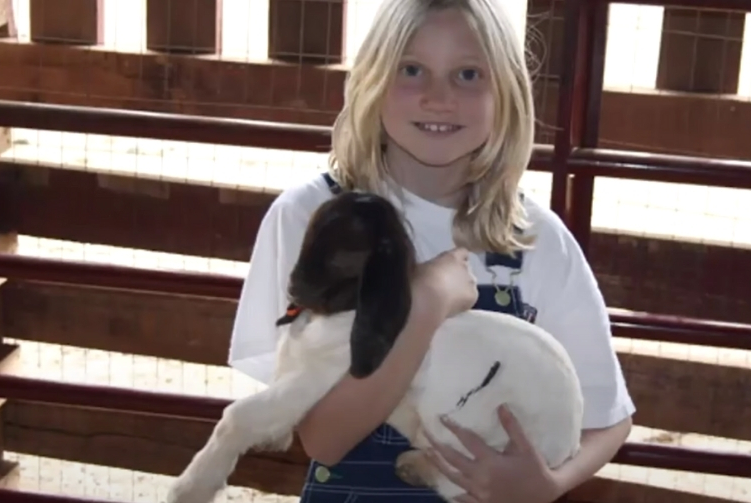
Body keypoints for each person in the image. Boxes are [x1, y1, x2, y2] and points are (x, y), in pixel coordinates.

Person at [227, 0, 635, 501]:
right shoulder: (315, 219)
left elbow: (608, 419)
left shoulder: (534, 239)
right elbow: (324, 439)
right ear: (372, 81)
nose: (438, 99)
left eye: (467, 74)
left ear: (505, 95)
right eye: (412, 70)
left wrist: (545, 486)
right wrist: (426, 306)